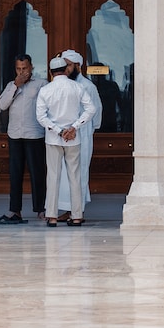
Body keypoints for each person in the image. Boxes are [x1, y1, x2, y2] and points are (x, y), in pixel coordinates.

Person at [36, 55, 95, 226]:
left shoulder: (46, 90)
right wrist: (74, 127)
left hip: (54, 139)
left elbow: (40, 117)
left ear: (51, 72)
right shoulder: (76, 87)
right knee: (75, 177)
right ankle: (77, 215)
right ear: (65, 70)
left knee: (53, 176)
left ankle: (52, 216)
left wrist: (58, 130)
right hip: (73, 139)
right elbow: (90, 109)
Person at [0, 54, 47, 224]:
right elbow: (2, 105)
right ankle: (15, 210)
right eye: (19, 69)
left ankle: (41, 209)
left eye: (25, 68)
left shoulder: (41, 85)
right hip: (15, 135)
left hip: (34, 135)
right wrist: (16, 86)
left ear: (32, 67)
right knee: (15, 174)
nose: (22, 72)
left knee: (37, 174)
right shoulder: (11, 85)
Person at [54, 50, 103, 220]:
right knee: (66, 175)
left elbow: (96, 114)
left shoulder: (88, 86)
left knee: (79, 173)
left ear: (77, 66)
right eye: (64, 65)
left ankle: (77, 212)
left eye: (68, 65)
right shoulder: (62, 85)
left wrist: (84, 130)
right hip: (63, 136)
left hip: (83, 135)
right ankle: (69, 210)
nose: (65, 69)